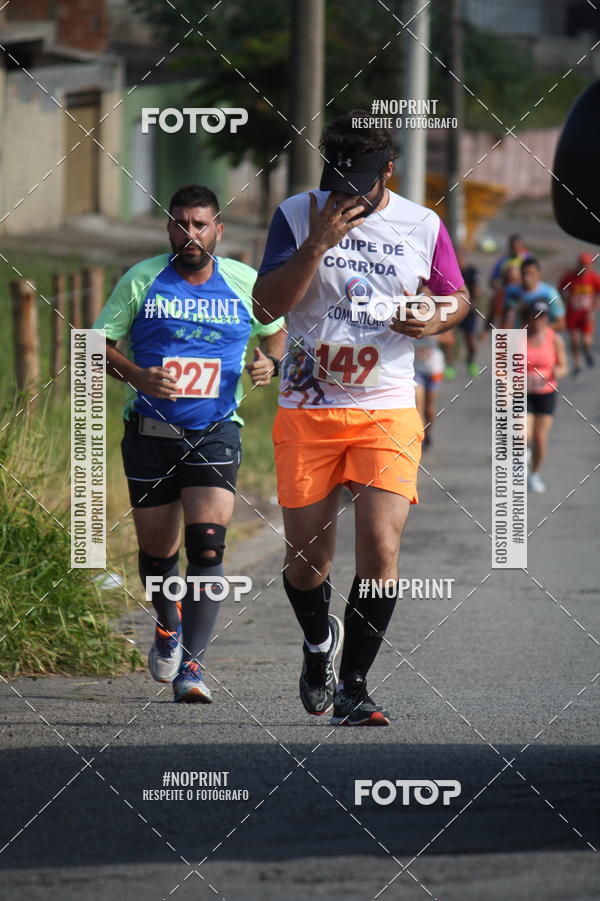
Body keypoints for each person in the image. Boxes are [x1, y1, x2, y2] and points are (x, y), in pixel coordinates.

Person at [253, 111, 470, 726]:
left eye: (360, 187)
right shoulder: (299, 213)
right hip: (308, 408)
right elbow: (264, 305)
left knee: (380, 544)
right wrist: (318, 243)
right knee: (307, 560)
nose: (345, 197)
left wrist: (434, 317)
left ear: (390, 172)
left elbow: (455, 295)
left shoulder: (422, 224)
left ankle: (355, 684)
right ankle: (319, 645)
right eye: (337, 183)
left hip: (387, 405)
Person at [93, 184, 285, 703]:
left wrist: (270, 362)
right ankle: (167, 625)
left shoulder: (244, 280)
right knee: (159, 555)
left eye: (200, 224)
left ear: (218, 230)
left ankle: (193, 666)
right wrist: (137, 375)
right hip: (150, 434)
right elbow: (96, 346)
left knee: (206, 544)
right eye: (181, 223)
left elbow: (275, 330)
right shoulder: (142, 279)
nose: (190, 233)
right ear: (169, 228)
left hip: (215, 431)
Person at [525, 300, 568, 494]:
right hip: (522, 393)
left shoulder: (554, 339)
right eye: (534, 316)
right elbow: (502, 366)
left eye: (542, 316)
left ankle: (534, 475)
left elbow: (564, 366)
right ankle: (523, 459)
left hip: (546, 393)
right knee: (524, 436)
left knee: (540, 438)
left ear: (547, 318)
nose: (538, 320)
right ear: (528, 317)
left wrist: (552, 372)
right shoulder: (517, 338)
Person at [558, 251, 600, 374]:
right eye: (582, 265)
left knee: (586, 341)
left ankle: (587, 351)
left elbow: (598, 292)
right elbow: (560, 288)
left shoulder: (593, 277)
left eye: (586, 265)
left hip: (586, 314)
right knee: (575, 340)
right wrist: (565, 298)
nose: (584, 267)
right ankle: (577, 364)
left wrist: (595, 305)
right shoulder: (570, 277)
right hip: (573, 313)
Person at [502, 257, 566, 330]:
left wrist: (536, 330)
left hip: (540, 338)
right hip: (518, 336)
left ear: (539, 274)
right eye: (524, 273)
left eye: (530, 273)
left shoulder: (550, 294)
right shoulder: (510, 291)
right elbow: (503, 318)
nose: (527, 277)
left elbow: (561, 324)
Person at [413, 335, 445, 449]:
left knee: (429, 407)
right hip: (416, 369)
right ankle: (419, 438)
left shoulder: (435, 319)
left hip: (433, 370)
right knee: (417, 407)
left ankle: (428, 433)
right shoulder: (409, 321)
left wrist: (434, 334)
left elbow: (450, 339)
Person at [457, 251, 482, 377]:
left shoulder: (472, 271)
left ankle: (471, 361)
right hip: (452, 309)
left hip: (468, 310)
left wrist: (472, 302)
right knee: (450, 340)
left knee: (471, 341)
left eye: (460, 257)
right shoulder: (451, 272)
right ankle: (449, 365)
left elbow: (476, 288)